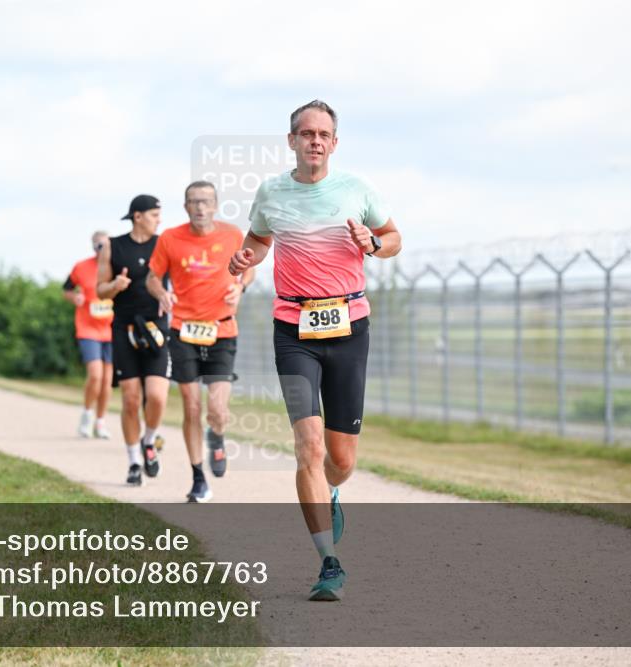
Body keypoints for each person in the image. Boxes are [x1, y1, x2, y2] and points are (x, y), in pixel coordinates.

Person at [228, 100, 402, 601]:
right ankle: (329, 561)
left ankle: (333, 489)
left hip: (348, 327)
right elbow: (258, 240)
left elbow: (394, 239)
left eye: (324, 134)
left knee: (340, 459)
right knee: (309, 448)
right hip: (294, 329)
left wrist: (372, 243)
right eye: (306, 133)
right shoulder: (271, 192)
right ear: (291, 141)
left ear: (335, 142)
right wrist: (246, 257)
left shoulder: (356, 190)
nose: (315, 141)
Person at [147, 181, 255, 502]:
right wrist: (161, 293)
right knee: (192, 407)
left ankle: (217, 437)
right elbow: (153, 276)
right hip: (183, 330)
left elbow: (248, 269)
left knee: (217, 410)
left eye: (205, 201)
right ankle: (198, 478)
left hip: (221, 330)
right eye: (193, 202)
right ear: (185, 207)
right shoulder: (170, 238)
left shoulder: (232, 235)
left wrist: (242, 287)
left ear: (216, 204)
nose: (199, 207)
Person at [97, 195, 170, 486]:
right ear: (137, 216)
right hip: (124, 328)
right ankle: (134, 462)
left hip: (156, 328)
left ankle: (149, 440)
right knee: (130, 398)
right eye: (154, 214)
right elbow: (100, 290)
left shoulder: (163, 244)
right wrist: (115, 285)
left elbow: (180, 277)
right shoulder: (112, 246)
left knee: (156, 396)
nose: (159, 220)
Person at [64, 231, 115, 439]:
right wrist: (74, 297)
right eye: (97, 246)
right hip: (87, 328)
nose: (100, 250)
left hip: (111, 329)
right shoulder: (81, 267)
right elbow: (67, 289)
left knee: (107, 381)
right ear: (92, 247)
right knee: (95, 375)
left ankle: (100, 421)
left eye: (104, 245)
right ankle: (86, 414)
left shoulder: (116, 267)